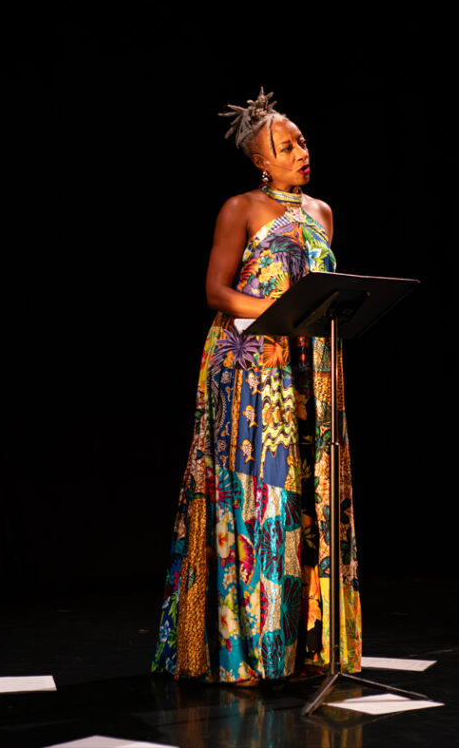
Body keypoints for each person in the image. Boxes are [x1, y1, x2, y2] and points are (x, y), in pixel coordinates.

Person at [151, 88, 362, 685]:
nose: (301, 151)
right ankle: (249, 651)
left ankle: (305, 650)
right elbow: (218, 291)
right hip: (249, 365)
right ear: (259, 161)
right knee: (259, 498)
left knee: (306, 499)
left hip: (309, 368)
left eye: (302, 141)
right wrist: (279, 308)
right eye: (286, 145)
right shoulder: (240, 207)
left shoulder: (321, 212)